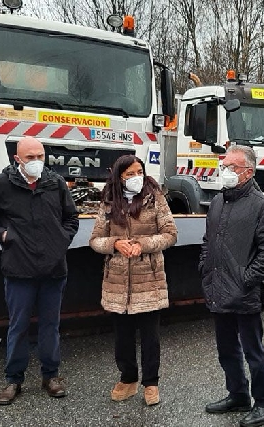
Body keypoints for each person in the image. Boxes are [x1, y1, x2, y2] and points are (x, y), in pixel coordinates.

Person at [0, 136, 79, 405]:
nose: (36, 162)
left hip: (54, 269)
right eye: (30, 157)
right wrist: (3, 234)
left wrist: (62, 240)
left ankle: (51, 376)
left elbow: (71, 217)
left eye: (40, 156)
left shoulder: (55, 183)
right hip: (19, 269)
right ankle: (13, 380)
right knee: (18, 326)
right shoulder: (1, 184)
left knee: (50, 325)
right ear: (17, 159)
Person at [200, 145, 264, 427]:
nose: (225, 172)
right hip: (218, 289)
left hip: (244, 294)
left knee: (253, 352)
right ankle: (237, 395)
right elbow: (209, 241)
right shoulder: (218, 201)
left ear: (248, 172)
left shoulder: (262, 207)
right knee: (226, 350)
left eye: (231, 167)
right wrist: (205, 267)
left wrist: (246, 279)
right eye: (224, 166)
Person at [89, 154, 177, 406]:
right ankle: (128, 379)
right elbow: (95, 240)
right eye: (129, 174)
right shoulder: (108, 203)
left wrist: (143, 244)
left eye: (139, 172)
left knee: (151, 336)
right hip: (117, 281)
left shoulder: (155, 198)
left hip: (149, 278)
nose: (136, 177)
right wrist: (115, 244)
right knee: (122, 336)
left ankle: (151, 383)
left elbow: (170, 234)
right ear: (119, 177)